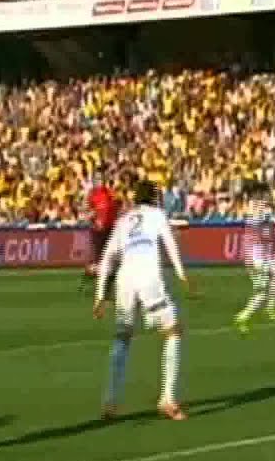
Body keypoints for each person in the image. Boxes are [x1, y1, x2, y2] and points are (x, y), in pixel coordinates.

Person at [93, 180, 192, 421]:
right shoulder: (157, 215)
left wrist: (100, 295)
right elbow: (170, 244)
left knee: (122, 338)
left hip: (125, 280)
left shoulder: (123, 220)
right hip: (148, 277)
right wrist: (181, 273)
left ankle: (111, 401)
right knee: (173, 331)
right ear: (154, 198)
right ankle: (167, 398)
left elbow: (107, 259)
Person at [234, 182, 275, 330]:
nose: (269, 197)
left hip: (260, 258)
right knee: (267, 287)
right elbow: (259, 230)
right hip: (257, 259)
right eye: (267, 195)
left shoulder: (262, 213)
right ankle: (250, 315)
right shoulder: (256, 213)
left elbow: (267, 236)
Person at [80, 169, 119, 293]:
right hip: (97, 231)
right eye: (97, 179)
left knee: (111, 260)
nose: (99, 181)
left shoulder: (110, 193)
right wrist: (92, 217)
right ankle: (93, 280)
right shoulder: (92, 195)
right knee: (100, 261)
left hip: (110, 230)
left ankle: (106, 287)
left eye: (101, 178)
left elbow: (115, 209)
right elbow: (86, 211)